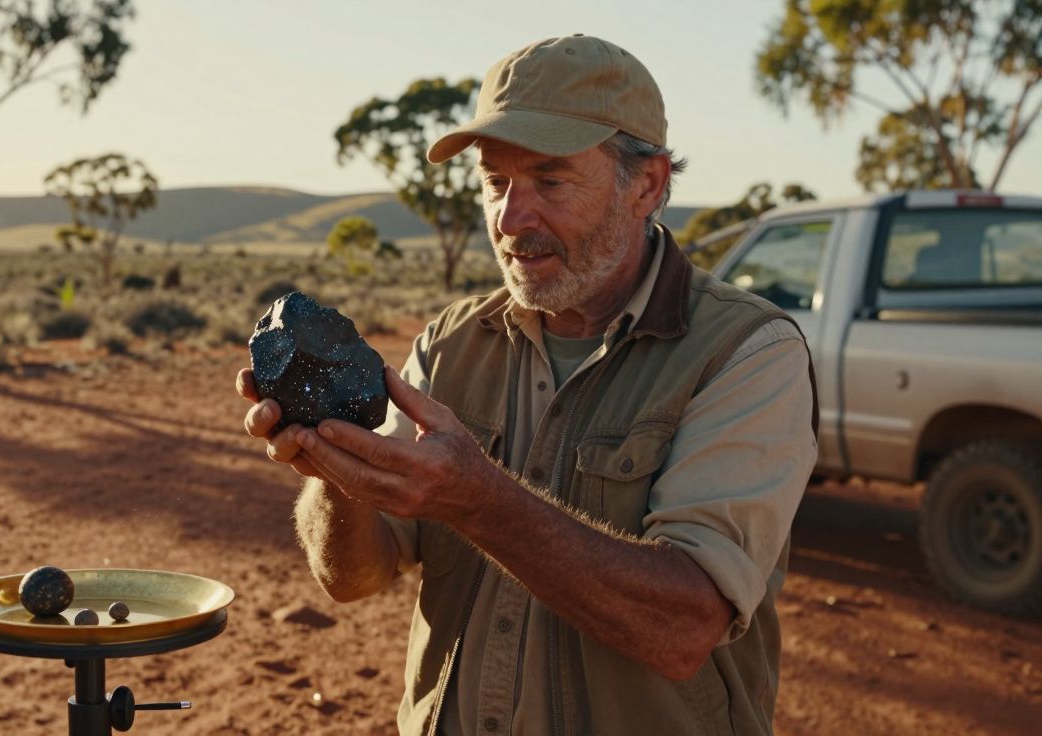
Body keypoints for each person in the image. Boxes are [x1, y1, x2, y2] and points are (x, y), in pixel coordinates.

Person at [238, 34, 817, 736]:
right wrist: (336, 471)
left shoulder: (746, 353)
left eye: (550, 182)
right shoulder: (451, 343)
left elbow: (682, 628)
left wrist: (478, 499)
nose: (511, 220)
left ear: (647, 185)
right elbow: (354, 578)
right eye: (495, 183)